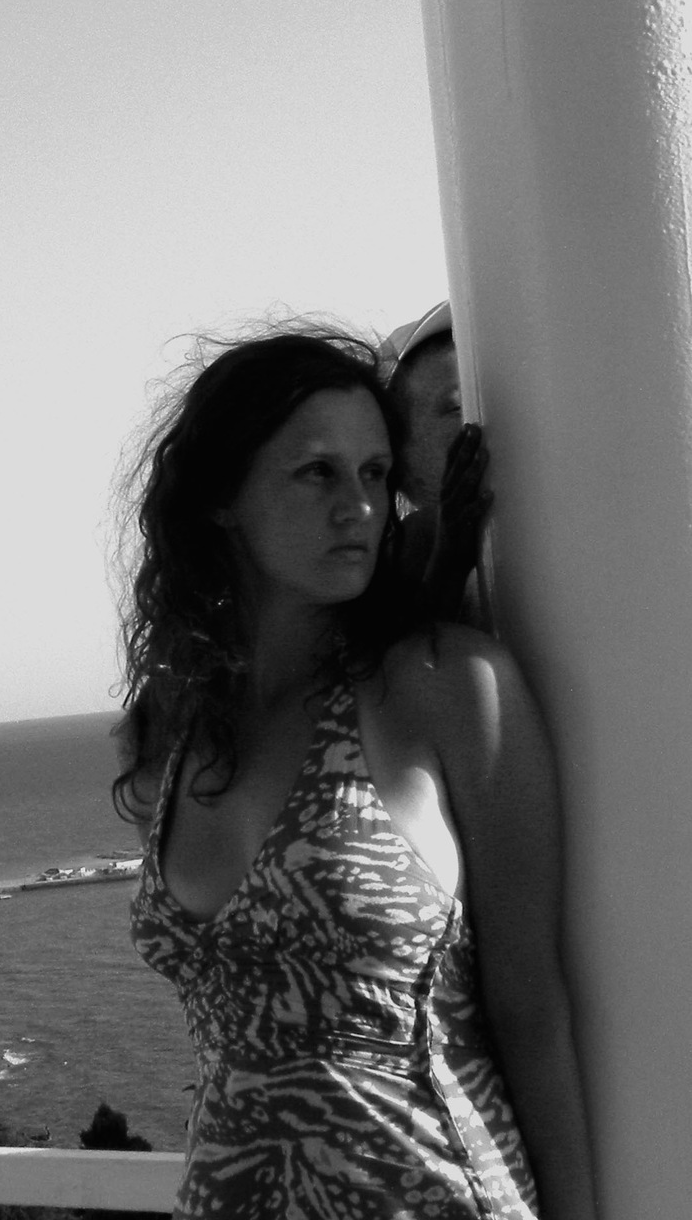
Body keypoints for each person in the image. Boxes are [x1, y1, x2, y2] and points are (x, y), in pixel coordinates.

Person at [116, 324, 597, 1220]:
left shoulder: (447, 688)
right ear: (219, 496)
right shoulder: (168, 730)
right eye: (317, 472)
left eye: (375, 474)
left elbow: (531, 1011)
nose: (360, 508)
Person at [380, 301, 489, 629]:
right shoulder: (386, 568)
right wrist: (448, 567)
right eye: (458, 407)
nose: (484, 419)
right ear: (398, 463)